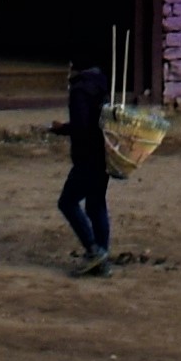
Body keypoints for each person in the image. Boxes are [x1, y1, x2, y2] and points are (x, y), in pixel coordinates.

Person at [56, 54, 119, 274]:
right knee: (96, 204)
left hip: (87, 158)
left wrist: (62, 129)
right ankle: (102, 260)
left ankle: (94, 251)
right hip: (105, 154)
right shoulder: (102, 85)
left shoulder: (80, 91)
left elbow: (82, 127)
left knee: (67, 202)